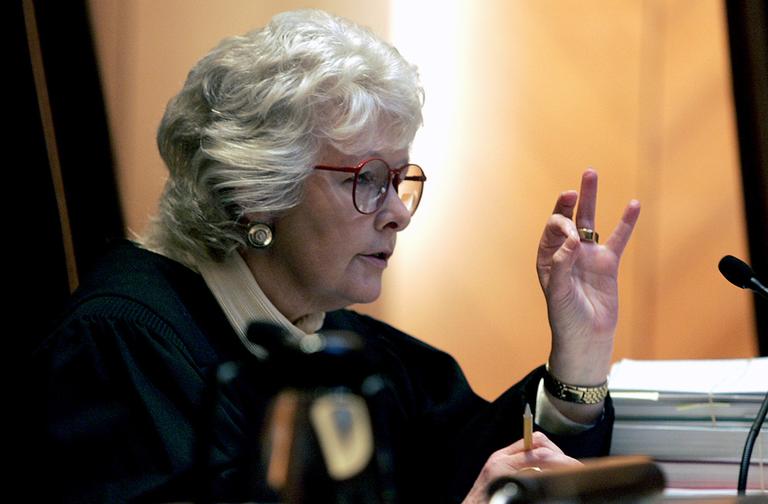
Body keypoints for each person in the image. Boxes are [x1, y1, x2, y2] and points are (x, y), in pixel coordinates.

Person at [32, 9, 640, 503]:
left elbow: (480, 464)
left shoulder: (342, 345)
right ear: (258, 190)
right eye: (368, 177)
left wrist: (579, 355)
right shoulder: (118, 348)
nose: (398, 210)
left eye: (401, 178)